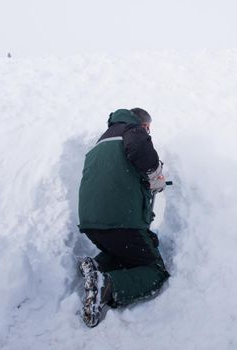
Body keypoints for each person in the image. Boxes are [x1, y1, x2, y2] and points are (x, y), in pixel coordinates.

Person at [77, 108, 169, 327]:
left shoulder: (102, 142)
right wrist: (155, 174)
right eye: (148, 128)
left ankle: (96, 265)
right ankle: (107, 285)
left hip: (92, 222)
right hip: (120, 221)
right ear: (144, 125)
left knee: (124, 251)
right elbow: (139, 149)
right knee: (154, 271)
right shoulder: (133, 131)